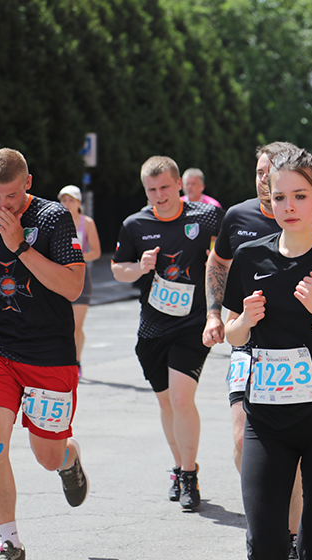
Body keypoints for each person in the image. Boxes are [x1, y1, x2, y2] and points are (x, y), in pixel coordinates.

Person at [222, 146, 312, 560]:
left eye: (300, 196)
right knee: (264, 543)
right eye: (279, 197)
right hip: (266, 420)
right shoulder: (250, 257)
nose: (288, 206)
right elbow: (233, 337)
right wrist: (244, 323)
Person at [0, 148, 89, 560]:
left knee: (46, 457)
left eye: (10, 196)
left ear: (27, 184)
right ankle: (9, 541)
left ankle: (67, 457)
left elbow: (73, 286)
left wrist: (20, 246)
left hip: (49, 353)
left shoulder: (53, 219)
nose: (2, 205)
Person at [111, 156, 224, 510]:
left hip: (192, 325)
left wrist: (218, 306)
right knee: (165, 403)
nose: (159, 196)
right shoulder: (134, 225)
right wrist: (138, 267)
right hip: (153, 328)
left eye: (164, 187)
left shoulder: (205, 217)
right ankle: (179, 466)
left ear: (180, 185)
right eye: (151, 190)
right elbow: (118, 270)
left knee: (180, 399)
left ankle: (189, 476)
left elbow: (226, 256)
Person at [58, 185, 101, 375]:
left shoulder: (87, 223)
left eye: (71, 200)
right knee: (61, 324)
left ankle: (76, 362)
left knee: (76, 325)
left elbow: (96, 252)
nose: (67, 204)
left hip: (81, 278)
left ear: (79, 203)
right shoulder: (54, 221)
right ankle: (62, 362)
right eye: (64, 200)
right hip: (58, 277)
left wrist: (77, 257)